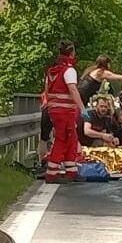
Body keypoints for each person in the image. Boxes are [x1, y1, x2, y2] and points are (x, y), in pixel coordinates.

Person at [42, 41, 87, 181]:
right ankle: (52, 173)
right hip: (65, 111)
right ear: (72, 53)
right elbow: (73, 90)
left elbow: (47, 90)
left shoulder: (52, 71)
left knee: (71, 139)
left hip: (54, 110)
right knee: (62, 139)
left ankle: (71, 171)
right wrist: (82, 108)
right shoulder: (69, 70)